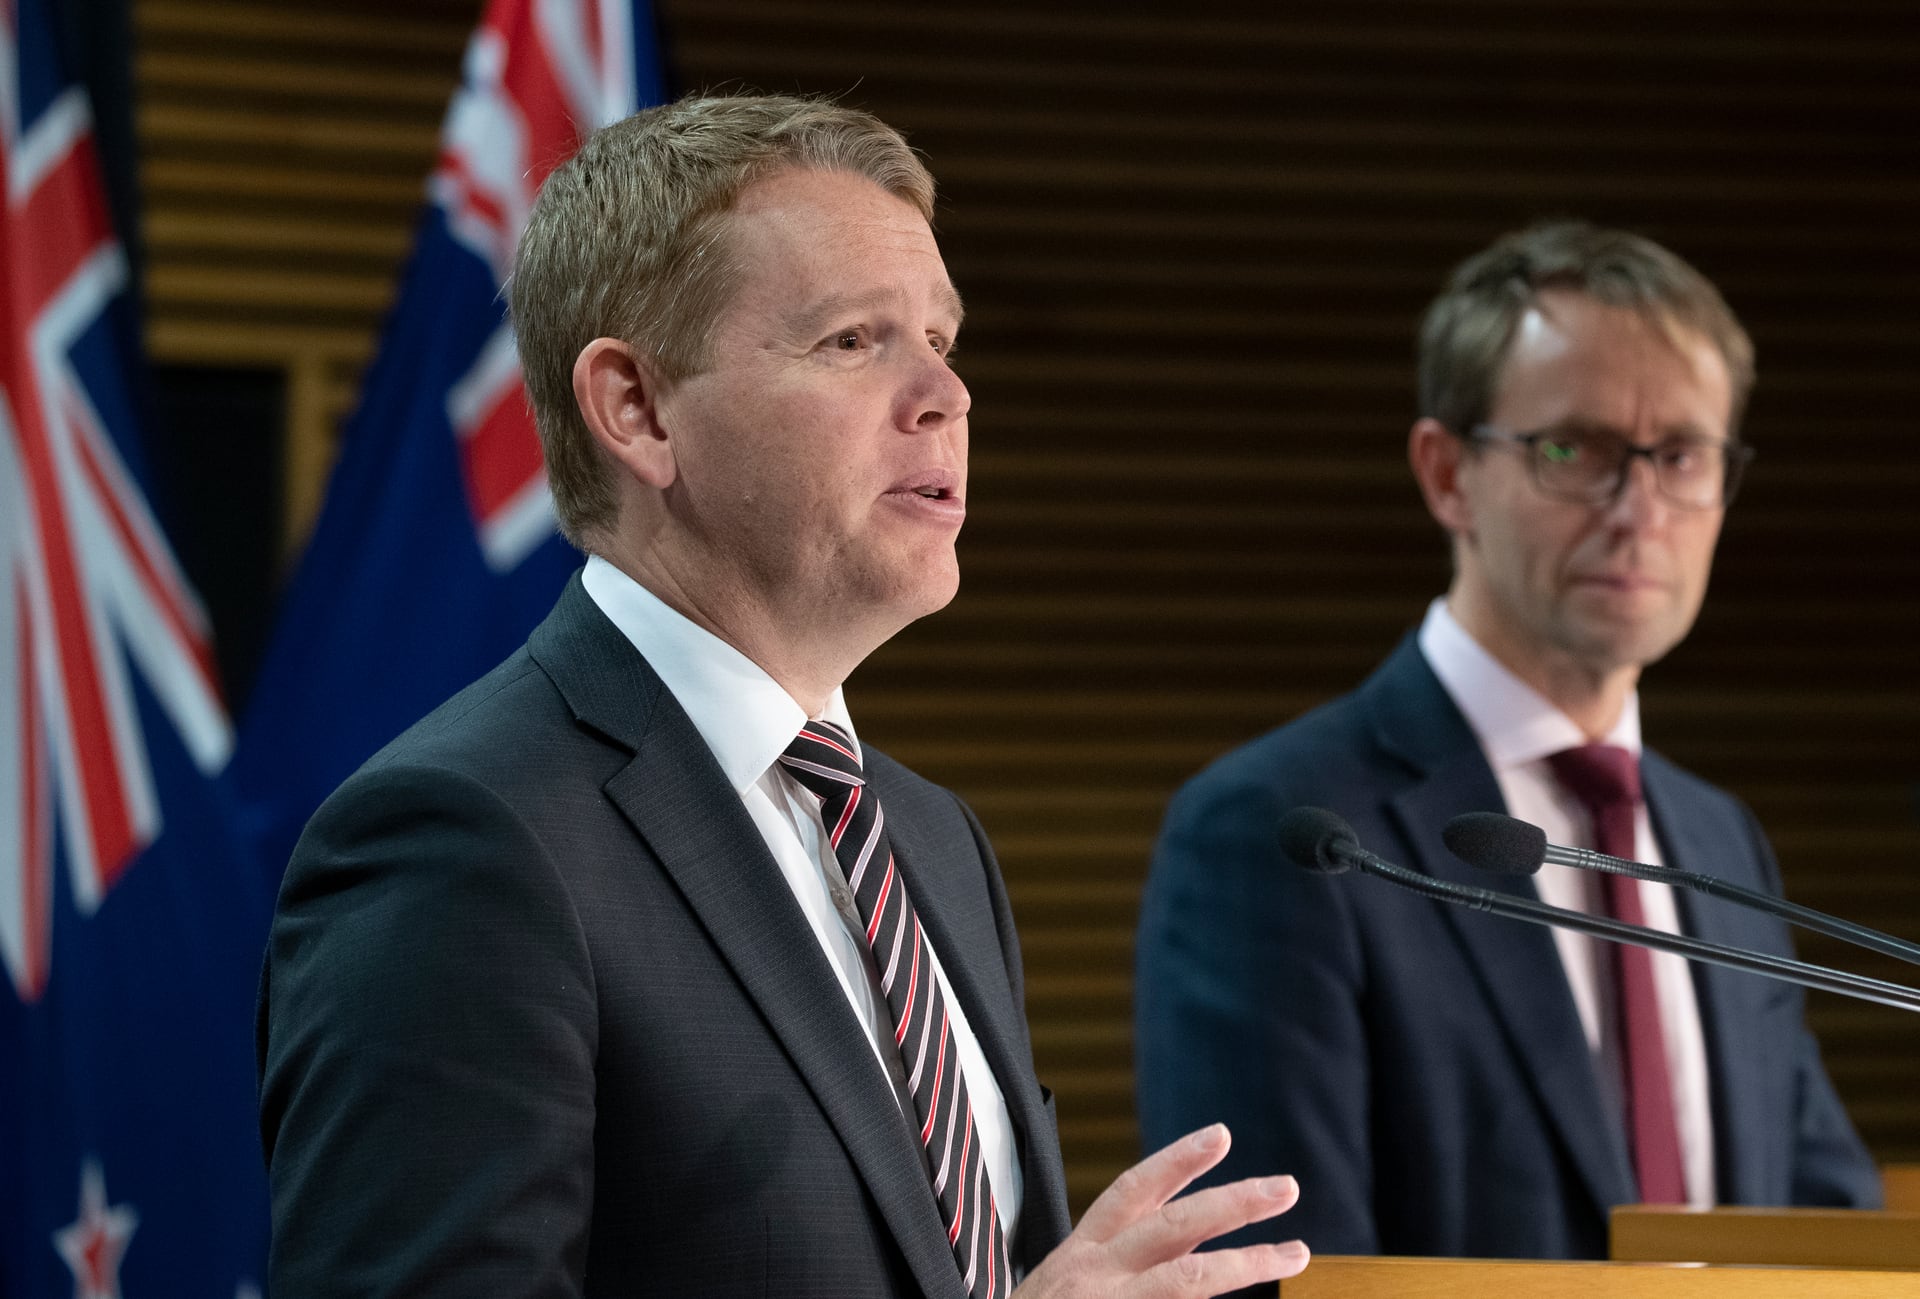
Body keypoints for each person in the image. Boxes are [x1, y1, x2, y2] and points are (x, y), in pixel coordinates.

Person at [257, 93, 1309, 1298]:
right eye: (853, 341)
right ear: (637, 408)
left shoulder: (934, 840)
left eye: (942, 338)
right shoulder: (465, 843)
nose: (947, 394)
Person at [1134, 220, 1882, 1261]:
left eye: (1680, 455)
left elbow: (1829, 1228)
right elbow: (1274, 1272)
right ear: (1448, 474)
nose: (1640, 511)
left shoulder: (1720, 839)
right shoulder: (1282, 830)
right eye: (1574, 449)